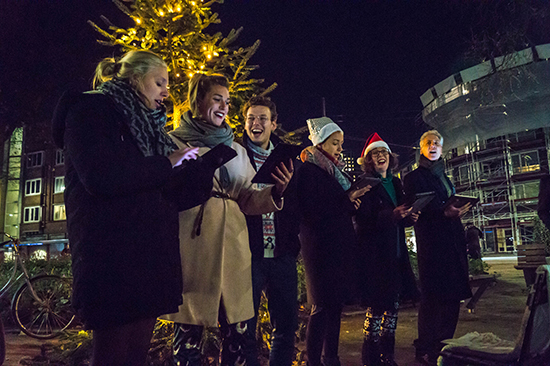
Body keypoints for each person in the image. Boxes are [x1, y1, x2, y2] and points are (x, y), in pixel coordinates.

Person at [51, 50, 202, 366]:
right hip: (112, 258)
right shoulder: (91, 110)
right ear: (135, 77)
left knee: (136, 356)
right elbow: (102, 177)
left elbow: (163, 194)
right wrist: (167, 163)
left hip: (149, 259)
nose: (166, 91)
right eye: (159, 82)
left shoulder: (150, 128)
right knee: (113, 356)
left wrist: (198, 176)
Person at [160, 74, 293, 366]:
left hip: (234, 247)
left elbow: (246, 198)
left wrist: (276, 192)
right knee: (188, 331)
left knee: (237, 332)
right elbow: (165, 190)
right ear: (198, 100)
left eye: (228, 101)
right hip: (193, 243)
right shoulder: (173, 140)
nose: (224, 107)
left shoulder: (238, 149)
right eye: (217, 99)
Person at [296, 117, 369, 366]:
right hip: (319, 249)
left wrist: (351, 204)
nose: (339, 148)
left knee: (335, 306)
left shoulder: (335, 171)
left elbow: (337, 207)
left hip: (339, 247)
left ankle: (332, 358)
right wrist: (345, 202)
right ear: (321, 143)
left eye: (340, 143)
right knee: (320, 307)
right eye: (335, 143)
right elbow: (311, 210)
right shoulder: (308, 169)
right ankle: (314, 360)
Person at [239, 96, 301, 366]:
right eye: (251, 118)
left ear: (273, 124)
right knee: (245, 328)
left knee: (285, 328)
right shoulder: (237, 155)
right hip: (247, 257)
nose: (256, 123)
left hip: (282, 255)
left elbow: (298, 204)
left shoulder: (288, 160)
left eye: (262, 118)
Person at [403, 130, 472, 366]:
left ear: (442, 149)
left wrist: (459, 208)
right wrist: (444, 211)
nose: (433, 146)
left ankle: (444, 346)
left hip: (452, 242)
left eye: (437, 143)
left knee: (452, 298)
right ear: (421, 148)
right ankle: (425, 347)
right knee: (433, 298)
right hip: (432, 246)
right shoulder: (413, 178)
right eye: (428, 143)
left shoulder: (444, 176)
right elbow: (417, 207)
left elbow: (446, 202)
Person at [355, 133, 420, 366]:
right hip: (375, 256)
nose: (381, 156)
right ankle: (370, 359)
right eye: (375, 153)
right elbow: (363, 218)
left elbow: (400, 215)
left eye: (384, 153)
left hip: (396, 253)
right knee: (375, 308)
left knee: (392, 309)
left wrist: (409, 217)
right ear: (368, 160)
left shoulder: (396, 182)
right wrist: (390, 215)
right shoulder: (366, 184)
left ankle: (388, 357)